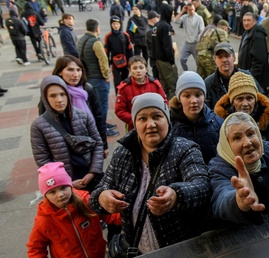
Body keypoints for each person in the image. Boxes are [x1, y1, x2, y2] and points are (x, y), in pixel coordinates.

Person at [89, 93, 212, 254]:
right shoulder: (123, 154)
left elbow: (202, 185)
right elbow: (96, 195)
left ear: (167, 119)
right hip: (138, 250)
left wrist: (176, 195)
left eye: (157, 116)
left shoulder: (185, 150)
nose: (150, 124)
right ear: (135, 123)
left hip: (179, 250)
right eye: (142, 119)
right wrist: (102, 197)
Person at [26, 162, 121, 257]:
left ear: (70, 186)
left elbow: (111, 215)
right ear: (45, 195)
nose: (60, 194)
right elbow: (35, 249)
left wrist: (125, 214)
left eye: (63, 188)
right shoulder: (44, 219)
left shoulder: (87, 201)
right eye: (52, 192)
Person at [30, 75, 104, 192]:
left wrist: (93, 172)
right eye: (52, 96)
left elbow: (98, 144)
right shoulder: (39, 125)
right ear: (45, 98)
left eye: (62, 94)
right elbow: (43, 161)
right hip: (65, 185)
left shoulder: (83, 115)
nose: (59, 100)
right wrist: (65, 183)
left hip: (92, 177)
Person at [36, 55, 110, 159]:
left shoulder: (87, 89)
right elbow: (45, 124)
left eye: (79, 70)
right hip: (63, 148)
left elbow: (98, 118)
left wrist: (103, 145)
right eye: (70, 70)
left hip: (88, 142)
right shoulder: (52, 93)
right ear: (59, 72)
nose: (76, 74)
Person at [214, 72, 269, 151]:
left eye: (249, 98)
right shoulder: (221, 124)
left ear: (256, 100)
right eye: (240, 99)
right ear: (232, 101)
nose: (245, 104)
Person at [170, 71, 223, 164]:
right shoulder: (169, 128)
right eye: (187, 96)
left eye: (198, 95)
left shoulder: (218, 124)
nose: (193, 101)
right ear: (179, 98)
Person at [78, 19, 120, 137]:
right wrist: (106, 76)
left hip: (88, 77)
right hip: (98, 78)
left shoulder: (81, 40)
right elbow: (103, 60)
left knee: (94, 104)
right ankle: (102, 129)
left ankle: (102, 124)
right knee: (102, 105)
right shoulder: (96, 42)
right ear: (97, 29)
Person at [115, 56, 169, 131]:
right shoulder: (124, 88)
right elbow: (120, 110)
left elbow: (164, 103)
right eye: (134, 68)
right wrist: (136, 120)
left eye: (141, 67)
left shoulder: (155, 84)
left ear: (146, 69)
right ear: (130, 70)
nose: (138, 71)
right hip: (134, 127)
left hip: (154, 124)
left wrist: (158, 118)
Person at [204, 42, 264, 109]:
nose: (224, 60)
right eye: (220, 57)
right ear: (214, 60)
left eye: (227, 56)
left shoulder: (247, 77)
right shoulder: (208, 83)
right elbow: (206, 111)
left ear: (234, 58)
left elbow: (262, 100)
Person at [238, 12, 269, 95]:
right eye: (244, 20)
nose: (245, 23)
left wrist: (250, 77)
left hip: (254, 80)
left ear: (255, 21)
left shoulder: (258, 36)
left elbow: (259, 61)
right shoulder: (247, 32)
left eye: (248, 20)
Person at [151, 3, 178, 98]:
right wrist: (172, 61)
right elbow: (167, 47)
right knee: (172, 85)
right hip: (165, 60)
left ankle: (164, 106)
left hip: (158, 60)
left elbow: (152, 44)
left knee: (163, 85)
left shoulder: (156, 25)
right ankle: (173, 109)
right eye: (172, 13)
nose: (173, 16)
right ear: (167, 13)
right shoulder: (165, 27)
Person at [104, 15, 134, 93]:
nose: (116, 26)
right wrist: (108, 65)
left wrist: (131, 63)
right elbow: (106, 52)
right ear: (111, 25)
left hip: (125, 62)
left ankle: (125, 95)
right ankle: (119, 97)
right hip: (115, 63)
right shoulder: (108, 36)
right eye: (114, 24)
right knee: (117, 82)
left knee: (125, 81)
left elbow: (130, 49)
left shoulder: (125, 35)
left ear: (120, 24)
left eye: (117, 24)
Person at [175, 3, 205, 72]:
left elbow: (202, 30)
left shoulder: (199, 18)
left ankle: (198, 75)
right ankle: (187, 71)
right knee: (182, 59)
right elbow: (176, 21)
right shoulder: (185, 17)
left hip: (196, 43)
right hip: (187, 43)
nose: (191, 11)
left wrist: (198, 39)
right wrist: (182, 11)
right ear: (187, 10)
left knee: (198, 62)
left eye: (192, 9)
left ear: (194, 9)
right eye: (189, 10)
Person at [146, 10, 160, 80]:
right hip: (154, 57)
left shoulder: (152, 28)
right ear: (153, 19)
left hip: (154, 56)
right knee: (157, 76)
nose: (158, 20)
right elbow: (155, 44)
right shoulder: (150, 30)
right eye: (157, 18)